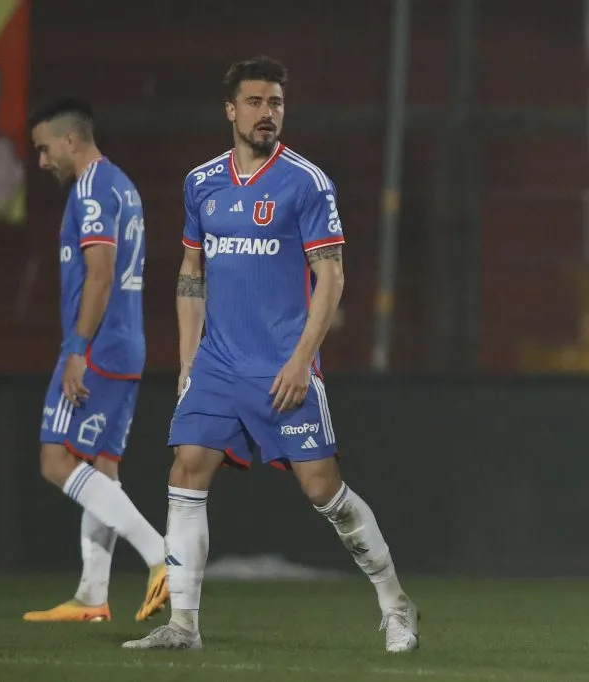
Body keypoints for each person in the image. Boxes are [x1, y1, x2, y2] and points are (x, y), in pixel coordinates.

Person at [122, 56, 419, 653]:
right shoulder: (200, 183)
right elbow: (190, 270)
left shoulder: (306, 183)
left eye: (276, 103)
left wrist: (302, 360)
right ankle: (184, 625)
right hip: (217, 363)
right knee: (186, 472)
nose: (267, 114)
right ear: (231, 110)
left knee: (322, 491)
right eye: (256, 102)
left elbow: (330, 277)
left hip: (284, 364)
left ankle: (395, 601)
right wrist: (187, 361)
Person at [23, 98, 168, 623]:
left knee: (56, 459)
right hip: (128, 345)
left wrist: (77, 350)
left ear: (69, 140)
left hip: (100, 347)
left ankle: (161, 556)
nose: (42, 162)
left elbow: (101, 274)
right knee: (103, 468)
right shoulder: (122, 185)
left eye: (44, 149)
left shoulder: (90, 190)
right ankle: (92, 596)